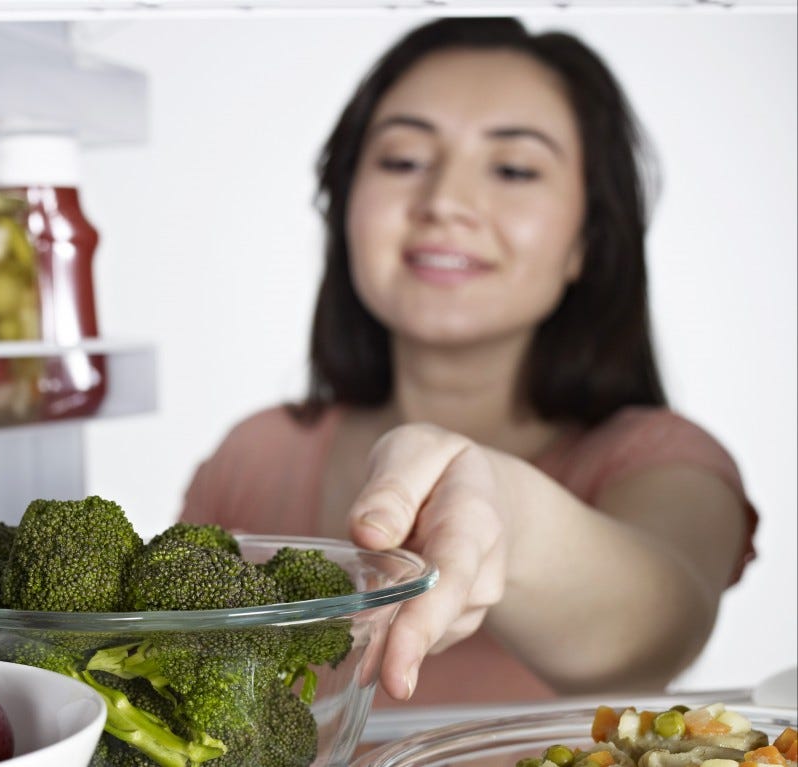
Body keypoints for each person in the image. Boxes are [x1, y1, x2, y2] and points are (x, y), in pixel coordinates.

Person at [179, 17, 757, 707]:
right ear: (343, 209)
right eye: (403, 160)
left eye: (514, 168)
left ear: (587, 240)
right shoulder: (256, 455)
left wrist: (499, 505)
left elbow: (655, 631)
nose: (445, 202)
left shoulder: (666, 461)